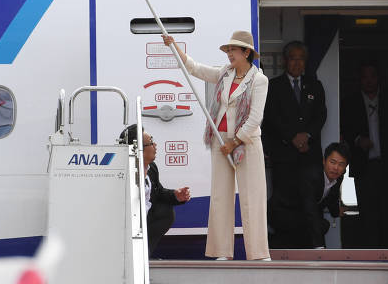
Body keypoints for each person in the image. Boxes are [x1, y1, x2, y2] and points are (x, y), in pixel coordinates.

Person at [163, 30, 270, 261]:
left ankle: (259, 254)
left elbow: (255, 118)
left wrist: (235, 142)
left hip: (245, 143)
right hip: (220, 140)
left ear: (246, 52)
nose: (229, 54)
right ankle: (222, 251)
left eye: (234, 50)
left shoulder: (259, 80)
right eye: (228, 50)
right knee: (221, 195)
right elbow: (196, 69)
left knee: (253, 197)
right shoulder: (225, 73)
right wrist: (174, 47)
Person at [263, 41, 327, 247]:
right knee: (283, 202)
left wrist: (306, 136)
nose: (297, 63)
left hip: (309, 155)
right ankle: (284, 246)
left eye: (301, 58)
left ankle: (313, 244)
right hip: (284, 156)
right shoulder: (273, 86)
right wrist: (292, 137)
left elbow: (320, 116)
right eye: (293, 58)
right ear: (285, 60)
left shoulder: (315, 85)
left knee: (309, 201)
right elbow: (271, 117)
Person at [340, 61, 388, 248]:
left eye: (372, 76)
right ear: (359, 79)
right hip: (364, 166)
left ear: (379, 78)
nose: (369, 81)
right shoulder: (350, 102)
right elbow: (345, 129)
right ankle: (370, 249)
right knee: (367, 212)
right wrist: (358, 140)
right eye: (364, 77)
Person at [119, 124, 191, 253]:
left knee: (165, 211)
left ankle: (145, 253)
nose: (155, 145)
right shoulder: (123, 171)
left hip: (146, 217)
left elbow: (158, 192)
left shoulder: (151, 167)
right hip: (127, 222)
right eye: (151, 142)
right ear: (138, 148)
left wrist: (176, 195)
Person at [300, 142, 350, 248]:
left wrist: (336, 211)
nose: (336, 168)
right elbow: (311, 211)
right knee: (318, 225)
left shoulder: (338, 177)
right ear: (324, 161)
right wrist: (319, 247)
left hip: (307, 214)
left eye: (341, 164)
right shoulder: (312, 176)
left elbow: (333, 194)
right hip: (288, 210)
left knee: (322, 225)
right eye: (333, 162)